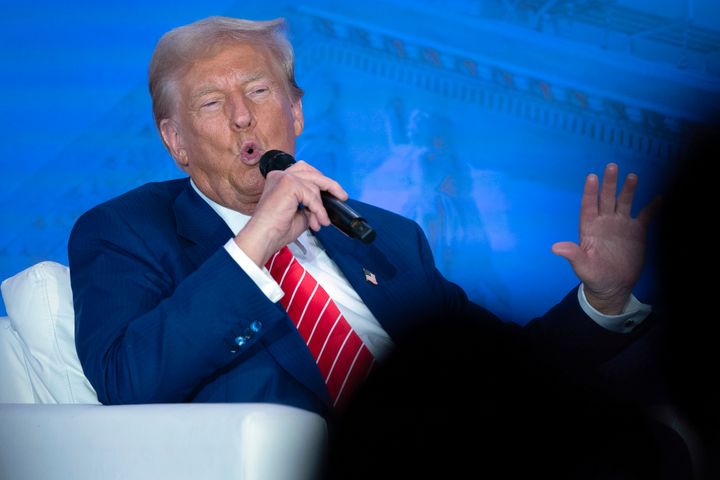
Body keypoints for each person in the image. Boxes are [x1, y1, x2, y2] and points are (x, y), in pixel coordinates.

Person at [68, 16, 656, 425]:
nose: (244, 118)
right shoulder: (124, 231)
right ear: (176, 142)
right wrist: (255, 245)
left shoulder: (387, 236)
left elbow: (504, 369)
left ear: (295, 112)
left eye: (258, 91)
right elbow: (128, 384)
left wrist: (602, 300)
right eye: (211, 104)